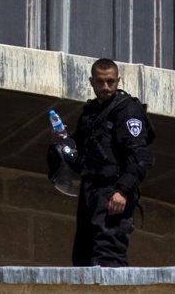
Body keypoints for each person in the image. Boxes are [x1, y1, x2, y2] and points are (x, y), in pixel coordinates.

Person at [47, 57, 154, 267]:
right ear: (91, 82)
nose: (106, 87)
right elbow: (79, 149)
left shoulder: (127, 110)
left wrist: (123, 190)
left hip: (113, 191)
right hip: (90, 191)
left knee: (108, 258)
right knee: (83, 259)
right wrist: (62, 139)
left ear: (118, 80)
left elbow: (140, 156)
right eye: (101, 82)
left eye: (111, 82)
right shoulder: (91, 113)